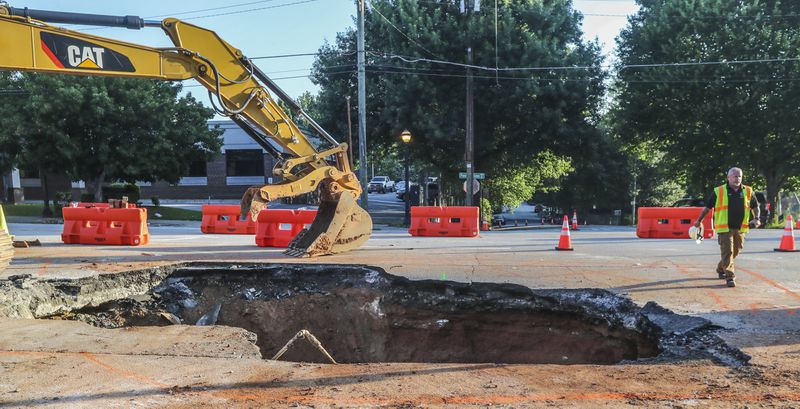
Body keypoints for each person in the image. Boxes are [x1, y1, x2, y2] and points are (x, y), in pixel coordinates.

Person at [694, 167, 759, 287]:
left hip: (740, 228)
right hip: (724, 228)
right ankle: (730, 277)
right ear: (728, 178)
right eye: (734, 176)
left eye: (739, 176)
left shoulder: (748, 191)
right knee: (727, 251)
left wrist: (757, 218)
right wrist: (699, 220)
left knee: (736, 250)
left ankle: (720, 268)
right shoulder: (719, 191)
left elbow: (755, 206)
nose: (737, 178)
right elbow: (707, 208)